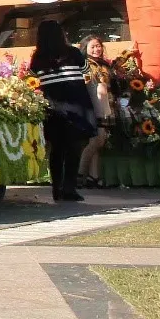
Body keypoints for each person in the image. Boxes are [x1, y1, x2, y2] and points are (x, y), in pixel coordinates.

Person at [29, 20, 98, 203]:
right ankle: (69, 188)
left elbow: (33, 76)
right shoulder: (73, 53)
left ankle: (57, 189)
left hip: (53, 108)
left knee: (57, 149)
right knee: (75, 147)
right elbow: (86, 70)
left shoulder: (37, 58)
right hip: (77, 106)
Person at [78, 35, 116, 188]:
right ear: (85, 49)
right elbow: (86, 84)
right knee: (97, 140)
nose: (96, 49)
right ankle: (79, 175)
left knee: (98, 142)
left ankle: (93, 177)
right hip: (94, 107)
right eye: (92, 47)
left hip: (104, 105)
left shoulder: (103, 64)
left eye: (98, 46)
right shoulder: (85, 64)